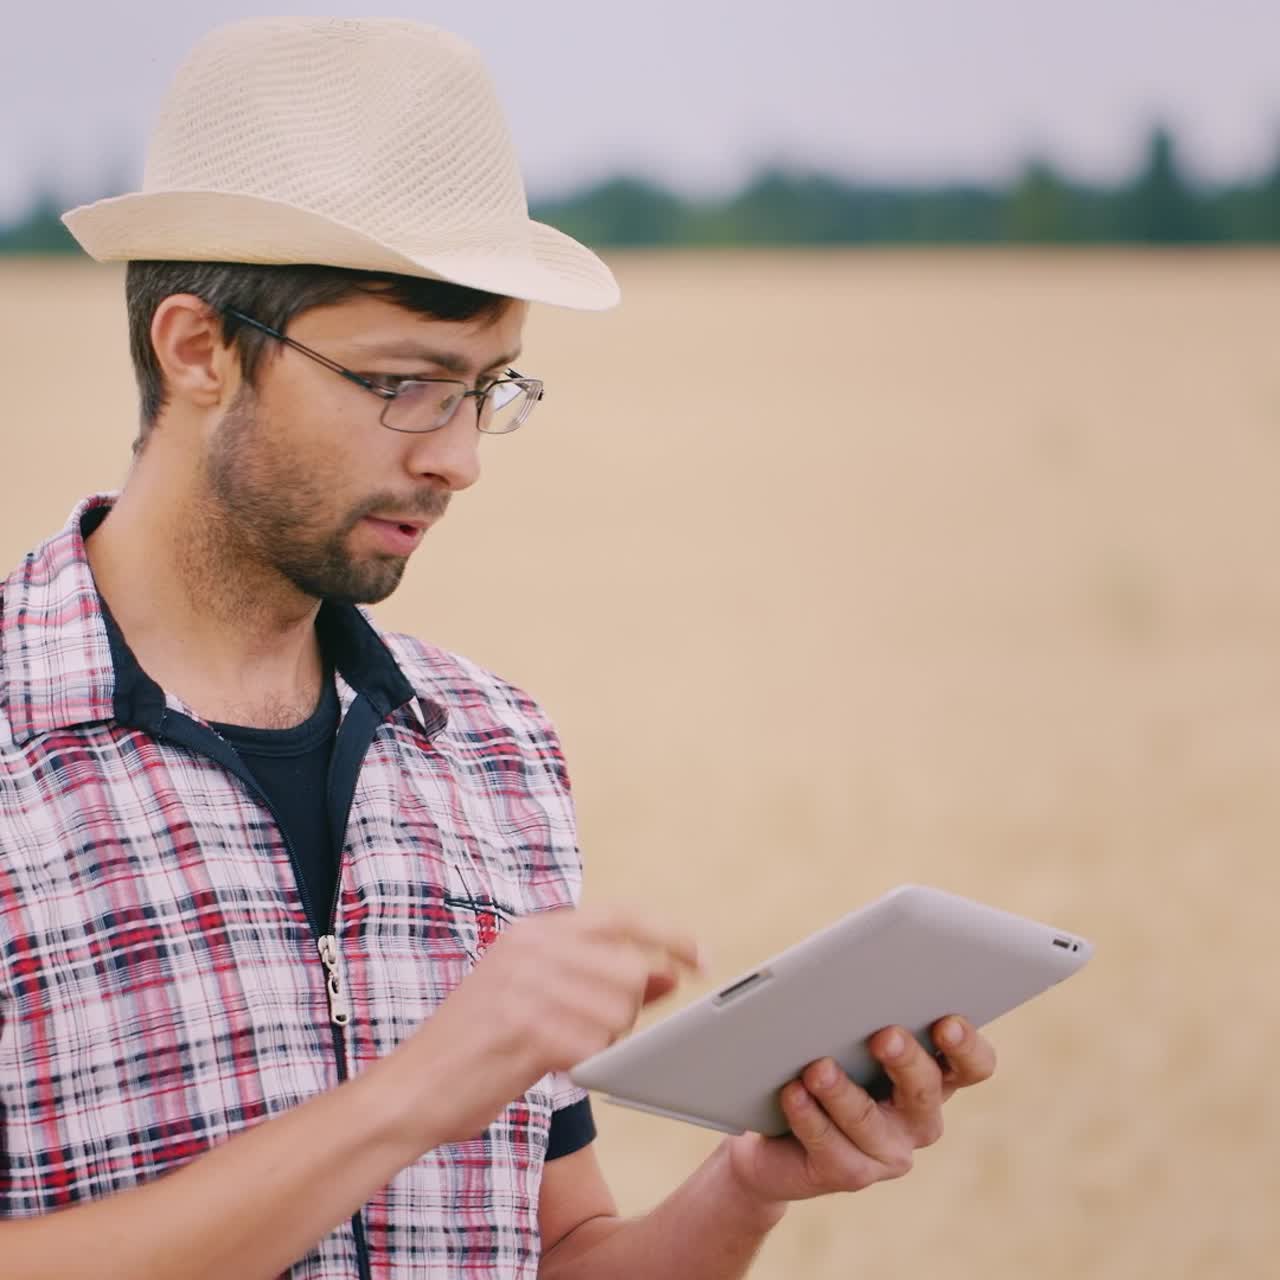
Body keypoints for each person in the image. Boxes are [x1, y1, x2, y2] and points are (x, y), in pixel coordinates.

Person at [0, 17, 996, 1280]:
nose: (459, 457)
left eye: (487, 388)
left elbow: (560, 1251)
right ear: (198, 349)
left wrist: (747, 1185)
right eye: (404, 384)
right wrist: (416, 1089)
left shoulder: (491, 747)